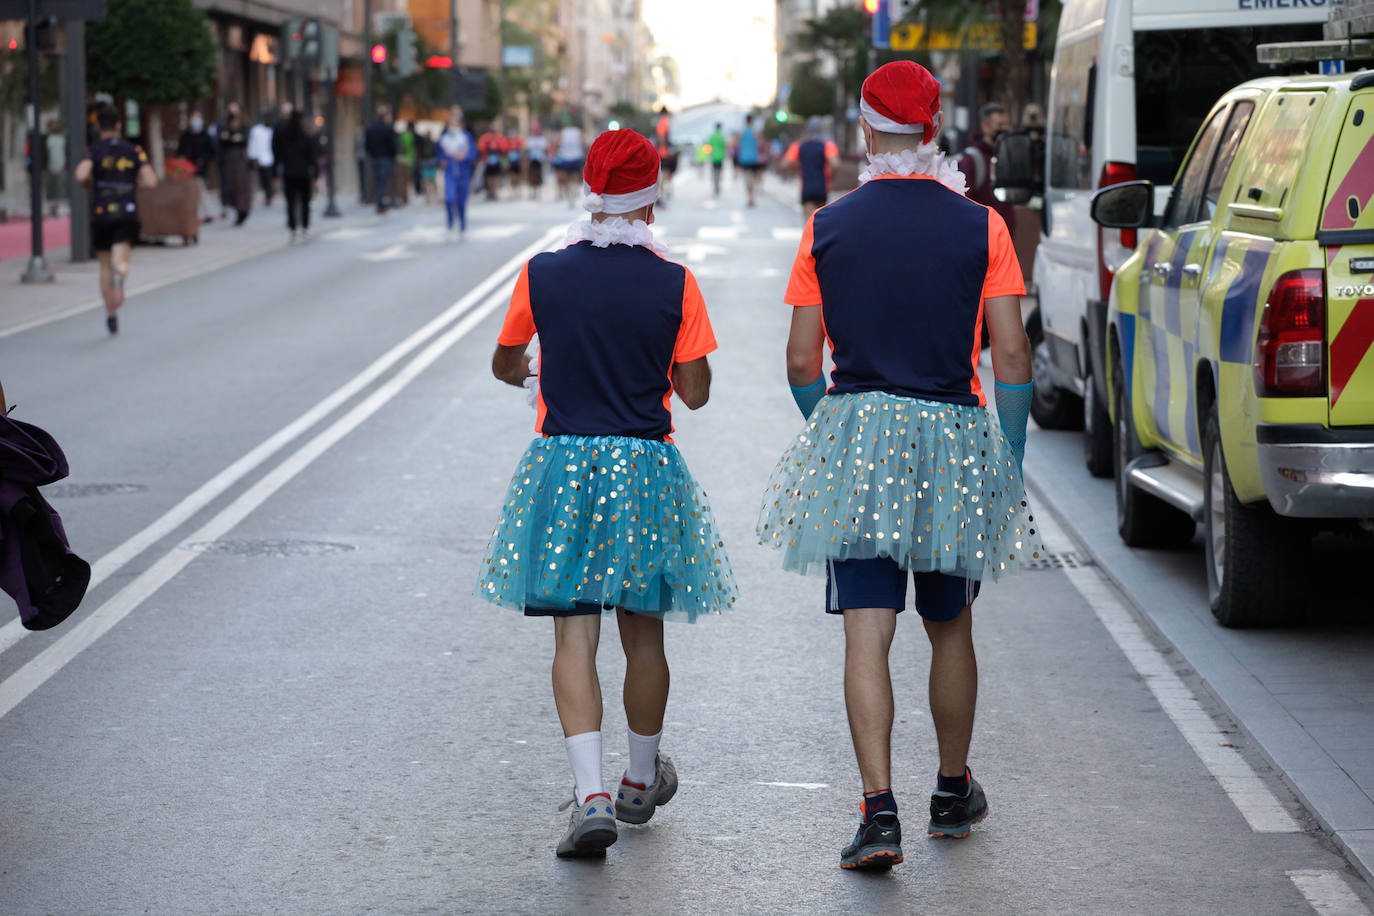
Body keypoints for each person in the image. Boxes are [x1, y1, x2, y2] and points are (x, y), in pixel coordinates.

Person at [757, 61, 1040, 871]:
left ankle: (878, 814)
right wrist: (1006, 456)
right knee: (950, 623)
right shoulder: (981, 226)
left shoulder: (827, 225)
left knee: (865, 633)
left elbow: (802, 361)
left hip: (862, 432)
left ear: (869, 130)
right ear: (933, 129)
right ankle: (952, 791)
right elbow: (1011, 351)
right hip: (953, 435)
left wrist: (838, 430)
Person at [476, 128, 737, 859]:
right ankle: (638, 782)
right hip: (646, 470)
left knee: (574, 633)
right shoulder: (674, 282)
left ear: (586, 190)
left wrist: (546, 374)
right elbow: (695, 390)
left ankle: (589, 794)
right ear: (651, 199)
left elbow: (505, 364)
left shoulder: (543, 273)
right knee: (643, 631)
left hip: (563, 465)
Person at [74, 103, 157, 335]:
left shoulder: (95, 150)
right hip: (126, 210)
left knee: (103, 265)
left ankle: (110, 315)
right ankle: (121, 273)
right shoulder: (133, 150)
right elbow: (151, 180)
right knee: (120, 258)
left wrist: (88, 182)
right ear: (119, 125)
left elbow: (80, 174)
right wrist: (133, 181)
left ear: (98, 125)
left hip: (102, 210)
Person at [958, 102, 1015, 234]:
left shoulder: (1008, 156)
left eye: (1006, 124)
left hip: (1005, 236)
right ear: (985, 126)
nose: (1004, 129)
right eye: (1000, 125)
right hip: (981, 236)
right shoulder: (972, 159)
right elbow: (963, 201)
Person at [783, 117, 841, 222]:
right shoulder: (827, 145)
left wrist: (798, 166)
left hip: (806, 187)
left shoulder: (799, 145)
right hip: (822, 186)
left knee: (809, 223)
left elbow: (785, 163)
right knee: (821, 222)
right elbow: (835, 164)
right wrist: (831, 175)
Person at [272, 109, 318, 243]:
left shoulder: (283, 136)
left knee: (291, 202)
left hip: (289, 173)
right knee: (305, 202)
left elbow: (277, 155)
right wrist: (315, 177)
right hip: (303, 173)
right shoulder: (306, 137)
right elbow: (312, 159)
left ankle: (293, 229)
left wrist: (275, 174)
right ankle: (304, 228)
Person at [436, 105, 477, 240]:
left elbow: (473, 153)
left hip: (463, 174)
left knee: (461, 202)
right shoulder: (445, 136)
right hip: (449, 173)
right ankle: (450, 225)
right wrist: (442, 160)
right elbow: (439, 152)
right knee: (449, 198)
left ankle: (463, 227)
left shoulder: (466, 136)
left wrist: (464, 157)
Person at [176, 111, 217, 223]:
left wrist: (203, 160)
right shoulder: (186, 135)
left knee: (200, 189)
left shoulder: (205, 135)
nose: (195, 121)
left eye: (197, 118)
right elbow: (180, 151)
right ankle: (193, 213)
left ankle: (207, 213)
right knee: (189, 190)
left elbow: (212, 152)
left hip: (200, 167)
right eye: (194, 118)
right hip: (186, 168)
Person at [217, 103, 252, 225]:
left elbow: (245, 138)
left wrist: (238, 138)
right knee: (231, 185)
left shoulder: (244, 124)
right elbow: (221, 139)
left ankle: (243, 210)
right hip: (228, 159)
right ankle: (234, 208)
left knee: (241, 185)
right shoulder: (223, 124)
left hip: (240, 158)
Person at [364, 105, 398, 213]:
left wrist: (372, 154)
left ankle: (379, 201)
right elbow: (393, 145)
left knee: (378, 181)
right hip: (385, 158)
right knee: (382, 182)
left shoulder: (371, 128)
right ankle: (380, 203)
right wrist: (392, 156)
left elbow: (367, 145)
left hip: (375, 158)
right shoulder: (387, 129)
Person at [553, 120, 584, 205]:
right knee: (575, 176)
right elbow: (583, 142)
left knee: (566, 177)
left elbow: (558, 144)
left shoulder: (563, 132)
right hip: (576, 157)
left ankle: (569, 194)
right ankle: (575, 190)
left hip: (566, 157)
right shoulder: (578, 131)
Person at [247, 111, 275, 206]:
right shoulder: (256, 130)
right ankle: (267, 194)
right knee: (263, 178)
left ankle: (269, 195)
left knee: (268, 178)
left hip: (269, 158)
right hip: (260, 158)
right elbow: (253, 144)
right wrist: (252, 156)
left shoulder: (271, 130)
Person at [736, 113, 764, 207]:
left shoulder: (742, 132)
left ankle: (749, 196)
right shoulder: (755, 132)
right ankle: (751, 195)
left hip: (744, 158)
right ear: (752, 121)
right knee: (752, 178)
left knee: (747, 178)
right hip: (754, 158)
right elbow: (760, 144)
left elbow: (737, 144)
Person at [43, 120, 67, 216]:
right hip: (58, 165)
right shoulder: (61, 139)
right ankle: (56, 205)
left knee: (54, 187)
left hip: (54, 165)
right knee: (58, 187)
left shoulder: (50, 140)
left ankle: (55, 205)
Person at [477, 125, 506, 201]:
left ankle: (494, 191)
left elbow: (504, 148)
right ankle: (491, 191)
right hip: (488, 159)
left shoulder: (498, 137)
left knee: (494, 176)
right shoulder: (486, 137)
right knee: (489, 177)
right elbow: (481, 148)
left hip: (495, 159)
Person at [395, 120, 415, 207]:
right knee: (406, 180)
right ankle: (405, 197)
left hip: (400, 159)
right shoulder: (411, 136)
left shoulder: (402, 135)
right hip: (408, 160)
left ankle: (402, 197)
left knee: (400, 180)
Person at [525, 124, 548, 200]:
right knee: (532, 176)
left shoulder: (542, 139)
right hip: (532, 159)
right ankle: (532, 191)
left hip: (540, 159)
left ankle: (538, 192)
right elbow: (527, 150)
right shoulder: (530, 139)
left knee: (539, 175)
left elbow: (545, 150)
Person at [705, 122, 727, 197]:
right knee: (719, 171)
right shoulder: (722, 136)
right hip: (720, 157)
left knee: (714, 172)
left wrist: (709, 154)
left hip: (713, 157)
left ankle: (715, 184)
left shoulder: (712, 136)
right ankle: (718, 184)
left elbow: (708, 146)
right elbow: (725, 146)